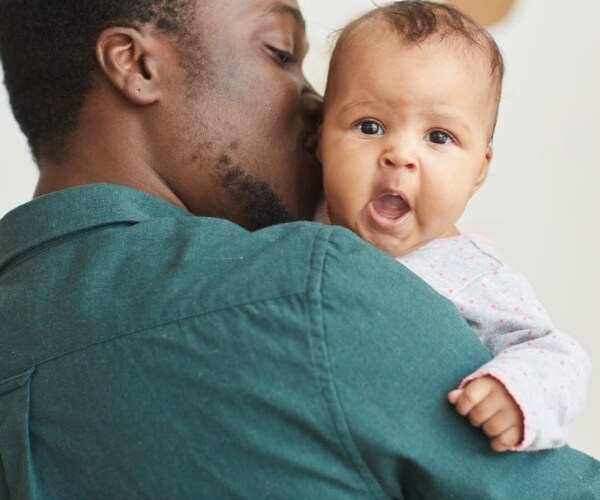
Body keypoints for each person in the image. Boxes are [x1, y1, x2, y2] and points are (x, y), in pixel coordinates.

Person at [0, 0, 599, 498]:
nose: (316, 109)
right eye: (281, 53)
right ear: (137, 65)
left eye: (439, 135)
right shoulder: (316, 287)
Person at [317, 1, 592, 455]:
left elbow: (560, 358)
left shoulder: (476, 276)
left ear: (479, 171)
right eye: (370, 126)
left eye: (438, 137)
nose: (400, 154)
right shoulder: (307, 216)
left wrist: (514, 391)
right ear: (321, 138)